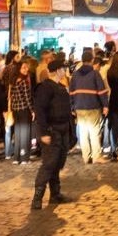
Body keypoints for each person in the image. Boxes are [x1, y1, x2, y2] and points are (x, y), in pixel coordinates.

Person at [31, 60, 73, 210]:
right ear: (58, 70)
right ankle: (37, 198)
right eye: (64, 68)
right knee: (49, 164)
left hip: (62, 129)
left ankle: (55, 194)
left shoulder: (61, 87)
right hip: (52, 130)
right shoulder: (45, 88)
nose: (66, 71)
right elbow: (40, 111)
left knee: (58, 162)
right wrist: (43, 132)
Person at [69, 50, 109, 164]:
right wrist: (105, 105)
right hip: (93, 106)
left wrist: (72, 106)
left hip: (79, 107)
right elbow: (101, 91)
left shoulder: (75, 74)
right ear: (92, 60)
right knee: (94, 132)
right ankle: (96, 156)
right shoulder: (95, 73)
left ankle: (86, 156)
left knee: (83, 132)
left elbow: (71, 92)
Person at [9, 60, 35, 164]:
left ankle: (17, 157)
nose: (26, 69)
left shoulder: (13, 81)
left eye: (26, 67)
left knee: (18, 133)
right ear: (19, 69)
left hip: (15, 109)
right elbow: (27, 98)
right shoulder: (23, 81)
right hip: (24, 109)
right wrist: (32, 110)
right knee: (25, 133)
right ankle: (24, 157)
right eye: (23, 68)